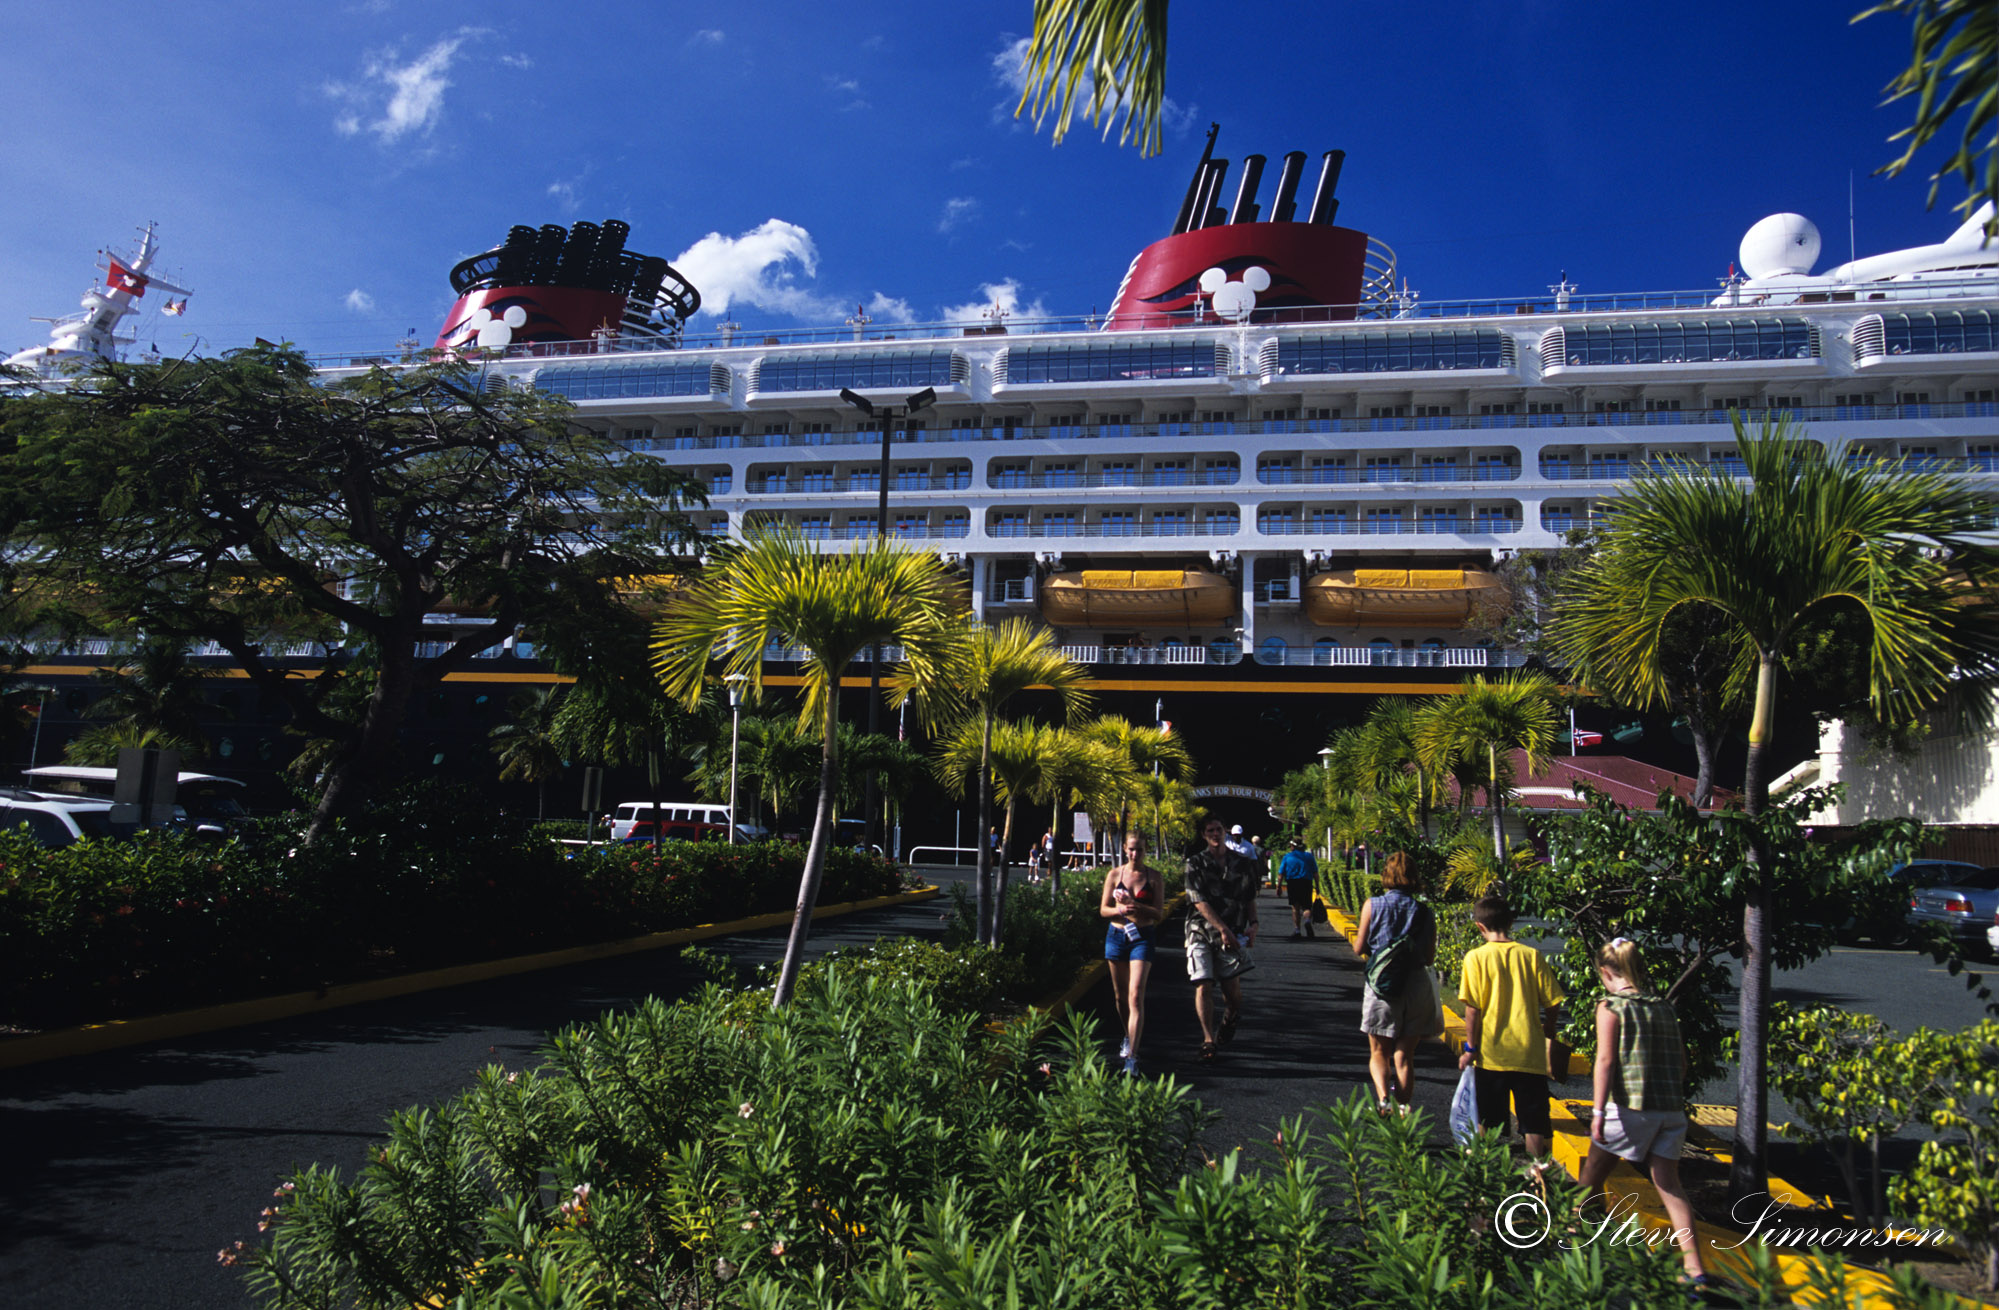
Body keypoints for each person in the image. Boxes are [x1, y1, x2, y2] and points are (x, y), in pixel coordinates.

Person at [1575, 938, 1710, 1292]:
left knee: (1593, 1169)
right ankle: (1695, 1268)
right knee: (1669, 1184)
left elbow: (1604, 1061)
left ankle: (1568, 1230)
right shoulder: (1663, 1007)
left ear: (1605, 972)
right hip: (1671, 1110)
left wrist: (1598, 1111)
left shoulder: (1611, 1007)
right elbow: (1681, 1064)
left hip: (1631, 1107)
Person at [1457, 893, 1565, 1166]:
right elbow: (1553, 1002)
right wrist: (1549, 1027)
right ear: (1512, 922)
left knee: (1488, 1119)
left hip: (1492, 1055)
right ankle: (1536, 1177)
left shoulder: (1475, 958)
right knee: (1533, 1121)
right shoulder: (1531, 955)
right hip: (1529, 1053)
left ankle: (1483, 1176)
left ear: (1480, 927)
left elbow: (1473, 1009)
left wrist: (1470, 1048)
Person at [1354, 851, 1443, 1111]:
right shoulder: (1425, 912)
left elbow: (1359, 946)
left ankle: (1383, 1100)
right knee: (1405, 1056)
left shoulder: (1373, 905)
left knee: (1379, 1052)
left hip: (1382, 987)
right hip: (1415, 985)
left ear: (1386, 875)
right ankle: (1403, 1109)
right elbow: (1428, 958)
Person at [1185, 817, 1260, 1061]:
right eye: (1210, 831)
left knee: (1233, 996)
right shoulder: (1195, 863)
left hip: (1233, 931)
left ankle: (1230, 1017)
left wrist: (1254, 924)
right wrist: (1222, 929)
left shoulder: (1242, 863)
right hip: (1200, 929)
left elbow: (1249, 896)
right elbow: (1198, 901)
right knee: (1203, 982)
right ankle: (1208, 1039)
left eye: (1218, 829)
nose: (1215, 834)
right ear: (1203, 835)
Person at [1099, 833, 1165, 1075]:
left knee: (1136, 995)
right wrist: (1119, 908)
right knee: (1120, 997)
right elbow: (1103, 910)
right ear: (1125, 849)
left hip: (1142, 937)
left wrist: (1137, 907)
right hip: (1116, 936)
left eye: (1139, 850)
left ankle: (1133, 1058)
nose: (1135, 854)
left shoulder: (1154, 877)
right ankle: (1128, 1035)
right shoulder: (1115, 875)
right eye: (1131, 849)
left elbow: (1158, 913)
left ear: (1145, 850)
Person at [1279, 837, 1319, 939]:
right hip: (1306, 882)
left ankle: (1297, 930)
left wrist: (1278, 886)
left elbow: (1281, 873)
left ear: (1293, 846)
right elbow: (1315, 873)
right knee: (1307, 906)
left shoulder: (1288, 857)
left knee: (1295, 907)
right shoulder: (1309, 857)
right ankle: (1307, 921)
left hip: (1293, 883)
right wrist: (1317, 886)